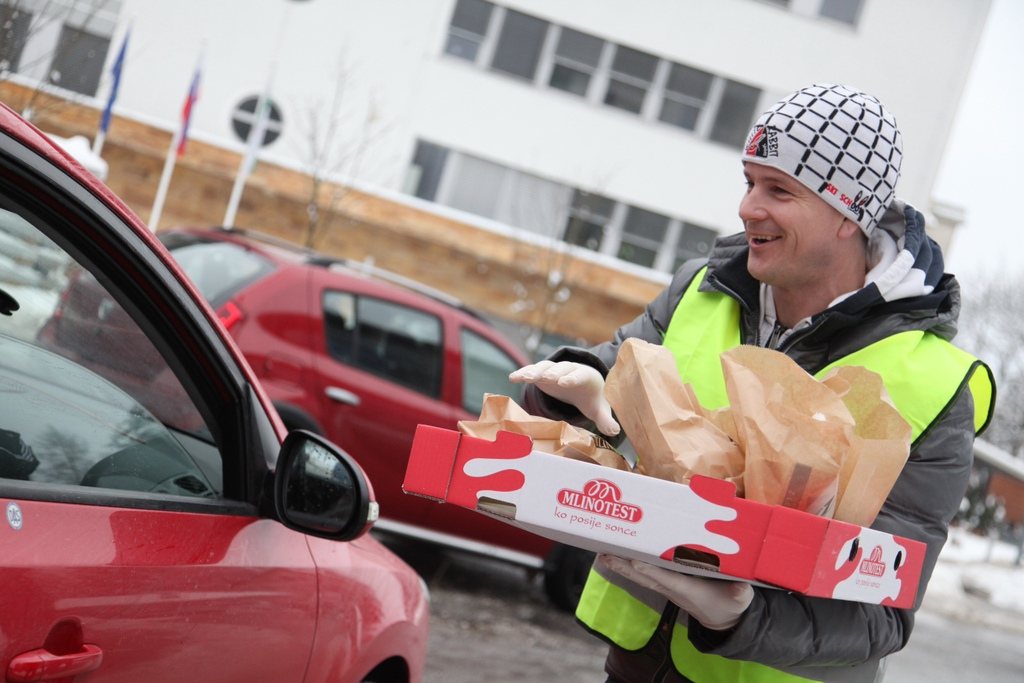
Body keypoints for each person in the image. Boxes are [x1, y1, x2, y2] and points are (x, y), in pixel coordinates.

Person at [510, 83, 995, 683]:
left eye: (779, 190)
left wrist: (743, 615)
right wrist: (575, 391)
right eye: (749, 182)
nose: (748, 208)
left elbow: (885, 607)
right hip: (636, 665)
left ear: (848, 214)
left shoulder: (935, 384)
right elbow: (605, 382)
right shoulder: (703, 289)